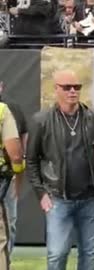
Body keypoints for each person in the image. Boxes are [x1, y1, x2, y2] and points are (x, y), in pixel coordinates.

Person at [26, 70, 94, 270]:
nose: (72, 91)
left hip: (89, 197)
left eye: (77, 87)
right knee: (57, 254)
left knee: (89, 253)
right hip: (58, 198)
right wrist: (41, 193)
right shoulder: (41, 120)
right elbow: (31, 160)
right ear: (56, 89)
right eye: (67, 87)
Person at [0, 81, 27, 261]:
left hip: (6, 178)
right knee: (5, 226)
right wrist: (19, 171)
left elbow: (24, 134)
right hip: (3, 177)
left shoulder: (12, 108)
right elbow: (16, 153)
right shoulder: (4, 111)